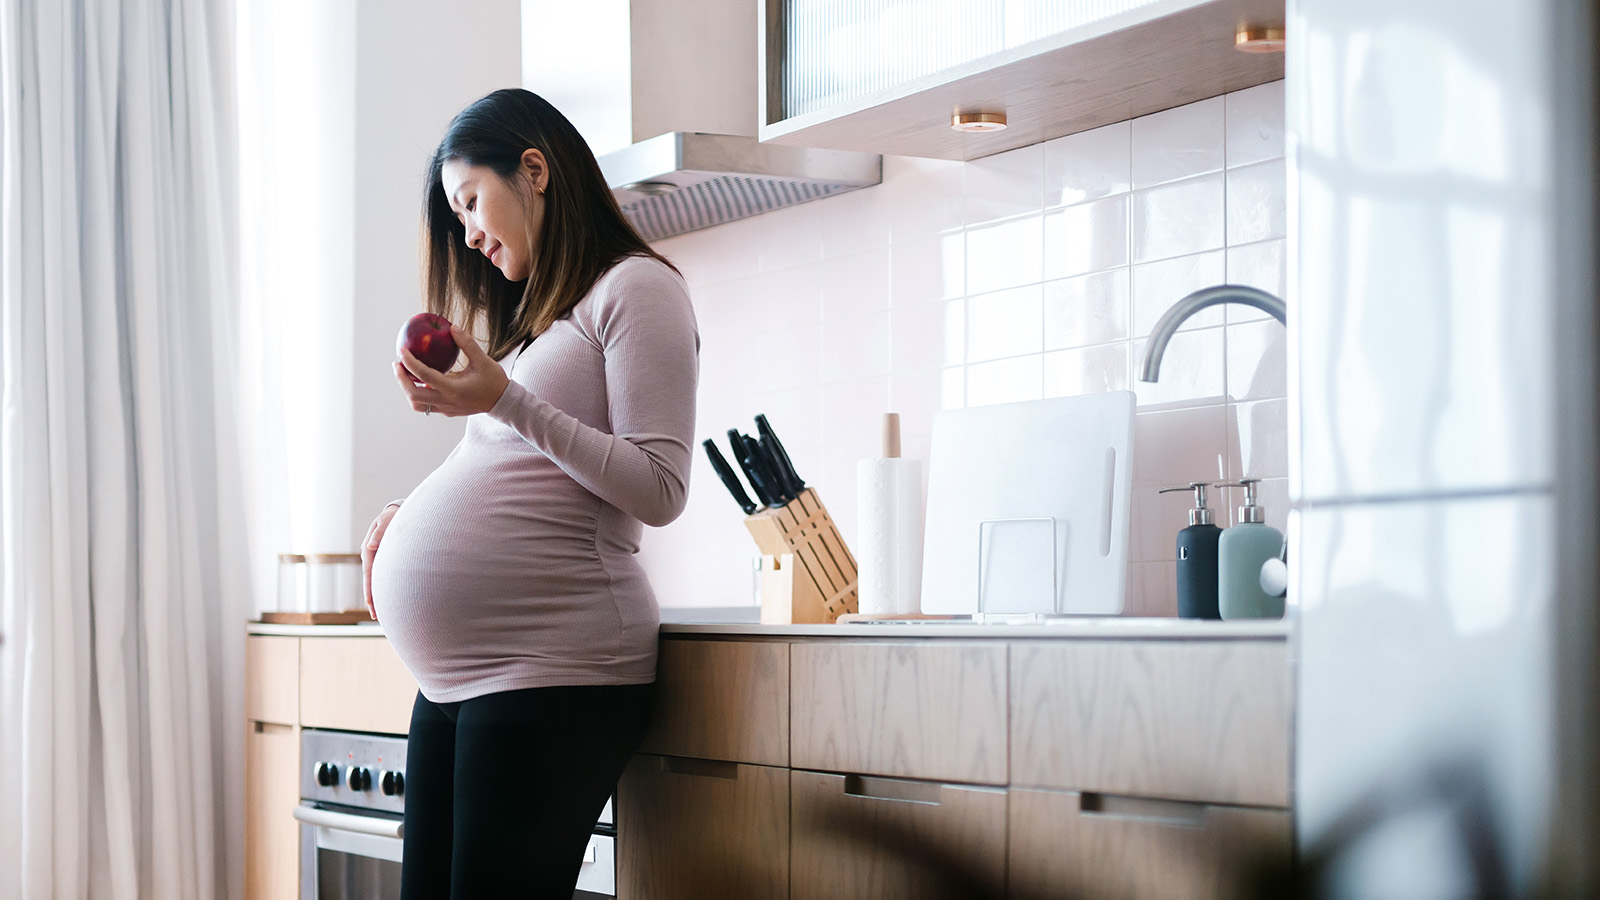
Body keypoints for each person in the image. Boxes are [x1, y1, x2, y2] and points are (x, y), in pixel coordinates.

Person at [361, 88, 699, 899]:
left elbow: (659, 487)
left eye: (471, 201)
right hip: (460, 682)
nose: (469, 234)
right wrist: (413, 517)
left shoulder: (637, 288)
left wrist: (504, 398)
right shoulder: (544, 321)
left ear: (535, 170)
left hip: (553, 669)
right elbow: (517, 467)